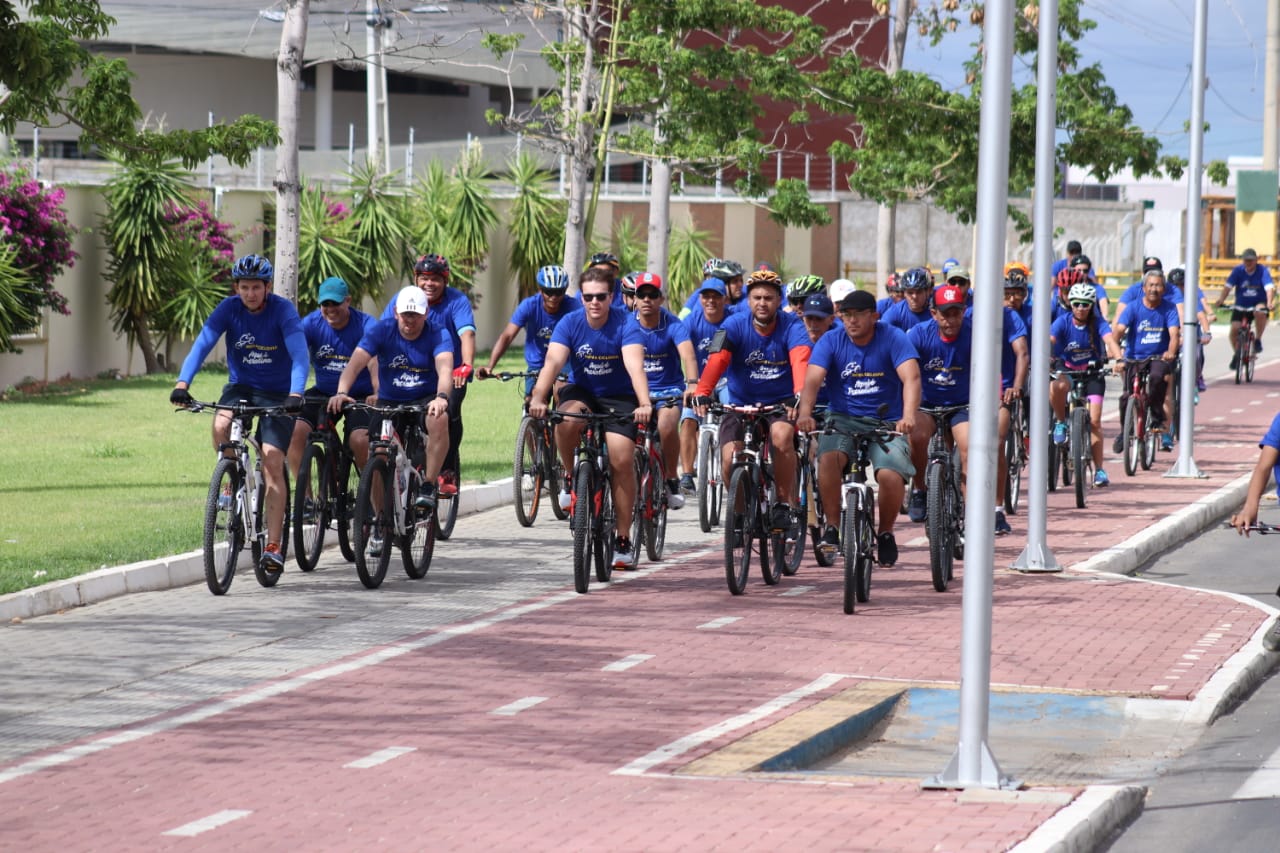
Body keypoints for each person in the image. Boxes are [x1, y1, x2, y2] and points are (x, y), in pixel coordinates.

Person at [169, 253, 309, 575]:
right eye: (244, 287)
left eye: (256, 287)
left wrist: (296, 393)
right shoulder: (229, 309)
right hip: (241, 387)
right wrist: (182, 383)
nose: (250, 294)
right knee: (221, 424)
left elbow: (300, 355)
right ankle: (232, 477)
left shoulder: (283, 311)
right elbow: (203, 343)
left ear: (267, 287)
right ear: (237, 287)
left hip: (279, 395)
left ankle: (273, 546)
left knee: (273, 459)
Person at [527, 267, 653, 569]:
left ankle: (623, 539)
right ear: (581, 297)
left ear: (611, 297)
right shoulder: (569, 323)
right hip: (582, 391)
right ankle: (571, 476)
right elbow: (553, 362)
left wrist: (645, 403)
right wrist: (539, 397)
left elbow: (635, 366)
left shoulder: (626, 324)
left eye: (600, 296)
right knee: (566, 419)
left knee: (621, 460)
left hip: (619, 397)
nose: (594, 302)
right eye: (588, 297)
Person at [796, 285, 920, 567]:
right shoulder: (831, 341)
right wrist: (805, 414)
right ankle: (832, 526)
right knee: (828, 459)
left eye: (858, 315)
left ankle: (886, 532)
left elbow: (911, 378)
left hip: (886, 421)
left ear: (874, 316)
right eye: (846, 315)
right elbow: (813, 380)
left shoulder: (893, 338)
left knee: (890, 475)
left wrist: (909, 416)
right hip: (842, 418)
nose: (851, 320)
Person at [330, 285, 453, 555]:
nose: (410, 321)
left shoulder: (438, 333)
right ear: (396, 312)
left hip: (424, 399)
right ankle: (380, 520)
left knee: (440, 420)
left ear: (426, 313)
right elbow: (355, 363)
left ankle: (429, 485)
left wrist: (441, 397)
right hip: (389, 401)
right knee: (372, 449)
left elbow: (445, 367)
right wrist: (342, 391)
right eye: (405, 315)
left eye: (416, 315)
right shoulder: (380, 330)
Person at [694, 266, 812, 536]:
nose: (762, 303)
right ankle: (740, 513)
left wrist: (799, 395)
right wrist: (703, 390)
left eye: (768, 298)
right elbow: (717, 360)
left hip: (779, 403)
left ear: (779, 301)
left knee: (782, 437)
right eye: (757, 298)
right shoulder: (733, 324)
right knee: (728, 459)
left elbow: (800, 359)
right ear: (748, 300)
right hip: (741, 403)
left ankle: (782, 503)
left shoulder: (792, 325)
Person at [906, 284, 1001, 531]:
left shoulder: (976, 335)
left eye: (956, 312)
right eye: (944, 313)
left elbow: (991, 372)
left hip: (963, 405)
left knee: (970, 446)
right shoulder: (917, 335)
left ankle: (971, 514)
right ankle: (920, 489)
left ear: (964, 311)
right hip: (927, 405)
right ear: (933, 313)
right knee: (915, 435)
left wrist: (993, 399)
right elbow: (905, 374)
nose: (950, 319)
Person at [381, 254, 476, 499]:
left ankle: (446, 470)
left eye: (435, 279)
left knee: (449, 410)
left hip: (449, 371)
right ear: (416, 279)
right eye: (424, 278)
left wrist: (466, 364)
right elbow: (380, 330)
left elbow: (466, 333)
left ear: (445, 281)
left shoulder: (457, 301)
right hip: (410, 371)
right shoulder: (404, 299)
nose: (429, 284)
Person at [286, 276, 377, 486]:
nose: (330, 309)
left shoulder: (366, 324)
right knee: (294, 431)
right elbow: (294, 354)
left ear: (348, 301)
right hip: (324, 391)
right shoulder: (311, 323)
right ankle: (306, 501)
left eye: (335, 303)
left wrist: (377, 391)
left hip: (360, 395)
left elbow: (374, 362)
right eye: (325, 304)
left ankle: (368, 497)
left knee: (360, 440)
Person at [621, 271, 699, 509]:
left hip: (668, 391)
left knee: (666, 426)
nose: (646, 300)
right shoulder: (624, 324)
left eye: (652, 295)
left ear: (661, 299)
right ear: (634, 298)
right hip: (633, 392)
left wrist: (693, 383)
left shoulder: (673, 324)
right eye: (641, 295)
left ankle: (671, 479)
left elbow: (688, 355)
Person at [1050, 282, 1123, 488]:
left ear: (1092, 305)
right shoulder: (1062, 322)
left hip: (1092, 374)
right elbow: (1050, 340)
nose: (1081, 308)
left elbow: (1110, 341)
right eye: (1077, 304)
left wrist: (1119, 359)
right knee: (1057, 386)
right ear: (1070, 304)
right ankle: (1061, 422)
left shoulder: (1097, 323)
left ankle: (1099, 470)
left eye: (1085, 304)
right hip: (1068, 371)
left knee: (1095, 421)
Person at [477, 265, 582, 395]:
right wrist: (490, 366)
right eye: (548, 292)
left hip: (565, 363)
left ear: (565, 290)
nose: (553, 297)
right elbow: (507, 336)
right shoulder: (529, 306)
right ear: (540, 290)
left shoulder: (575, 307)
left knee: (563, 394)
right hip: (537, 364)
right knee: (532, 402)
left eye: (558, 292)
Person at [1111, 269, 1181, 453]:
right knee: (1127, 397)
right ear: (1144, 288)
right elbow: (1118, 331)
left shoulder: (1169, 308)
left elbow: (1174, 334)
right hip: (1134, 358)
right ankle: (1124, 431)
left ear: (1164, 289)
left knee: (1158, 378)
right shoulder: (1133, 307)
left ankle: (1157, 417)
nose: (1154, 289)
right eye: (1151, 285)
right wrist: (1115, 354)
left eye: (1158, 285)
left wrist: (1171, 352)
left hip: (1158, 357)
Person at [677, 276, 734, 494]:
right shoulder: (692, 321)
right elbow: (680, 348)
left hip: (727, 381)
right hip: (699, 382)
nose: (711, 301)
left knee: (732, 414)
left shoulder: (733, 318)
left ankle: (734, 464)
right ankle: (687, 474)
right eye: (706, 296)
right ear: (700, 299)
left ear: (724, 299)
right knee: (688, 418)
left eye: (716, 297)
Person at [1216, 247, 1275, 369]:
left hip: (1257, 302)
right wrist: (1221, 300)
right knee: (1234, 330)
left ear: (1256, 260)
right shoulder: (1238, 270)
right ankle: (1237, 354)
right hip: (1241, 304)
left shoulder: (1262, 271)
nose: (1248, 263)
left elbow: (1269, 288)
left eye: (1251, 260)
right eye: (1246, 260)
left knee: (1260, 312)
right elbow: (1228, 286)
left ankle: (1258, 339)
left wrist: (1269, 302)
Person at [679, 259, 745, 319]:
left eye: (741, 280)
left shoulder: (744, 295)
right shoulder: (701, 299)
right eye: (735, 281)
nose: (740, 285)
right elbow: (684, 317)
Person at [882, 267, 934, 332]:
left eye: (919, 292)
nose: (914, 296)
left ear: (927, 291)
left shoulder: (936, 311)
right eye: (910, 292)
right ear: (904, 293)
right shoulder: (894, 313)